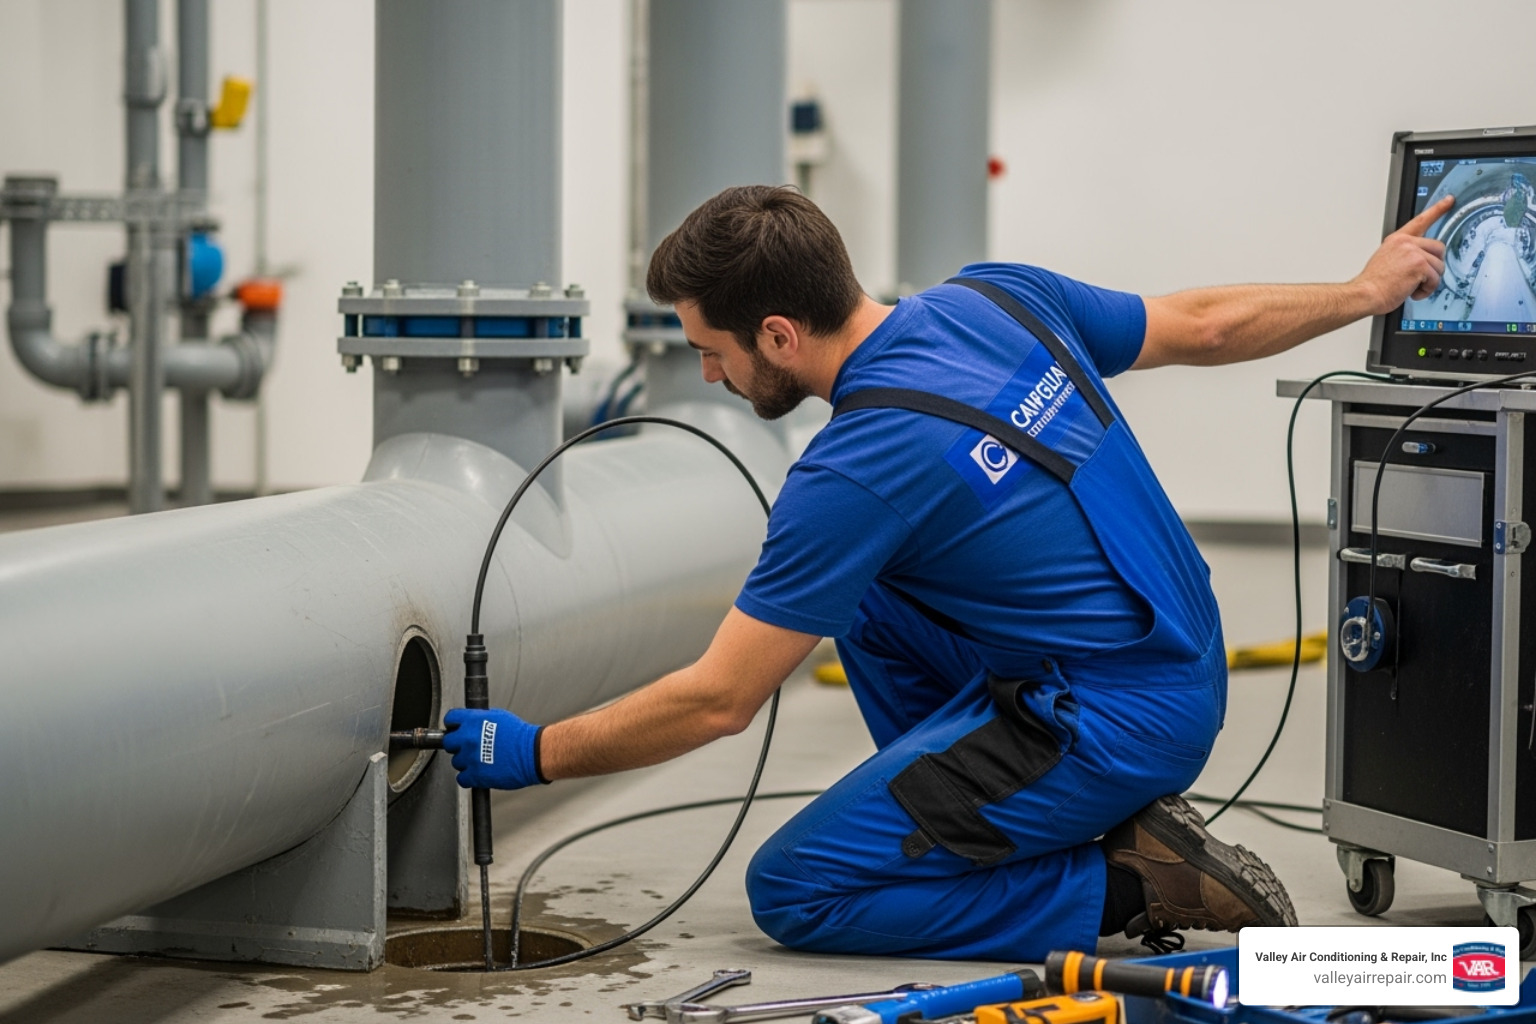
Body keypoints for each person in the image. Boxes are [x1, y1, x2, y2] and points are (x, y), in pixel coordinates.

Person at [440, 185, 1451, 960]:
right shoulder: (999, 297)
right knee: (868, 598)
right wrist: (1364, 290)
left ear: (779, 335)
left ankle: (1128, 882)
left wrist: (535, 751)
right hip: (1176, 651)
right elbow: (1206, 323)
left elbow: (720, 701)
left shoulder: (852, 469)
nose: (708, 373)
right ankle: (980, 816)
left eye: (712, 350)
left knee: (797, 891)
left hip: (1111, 713)